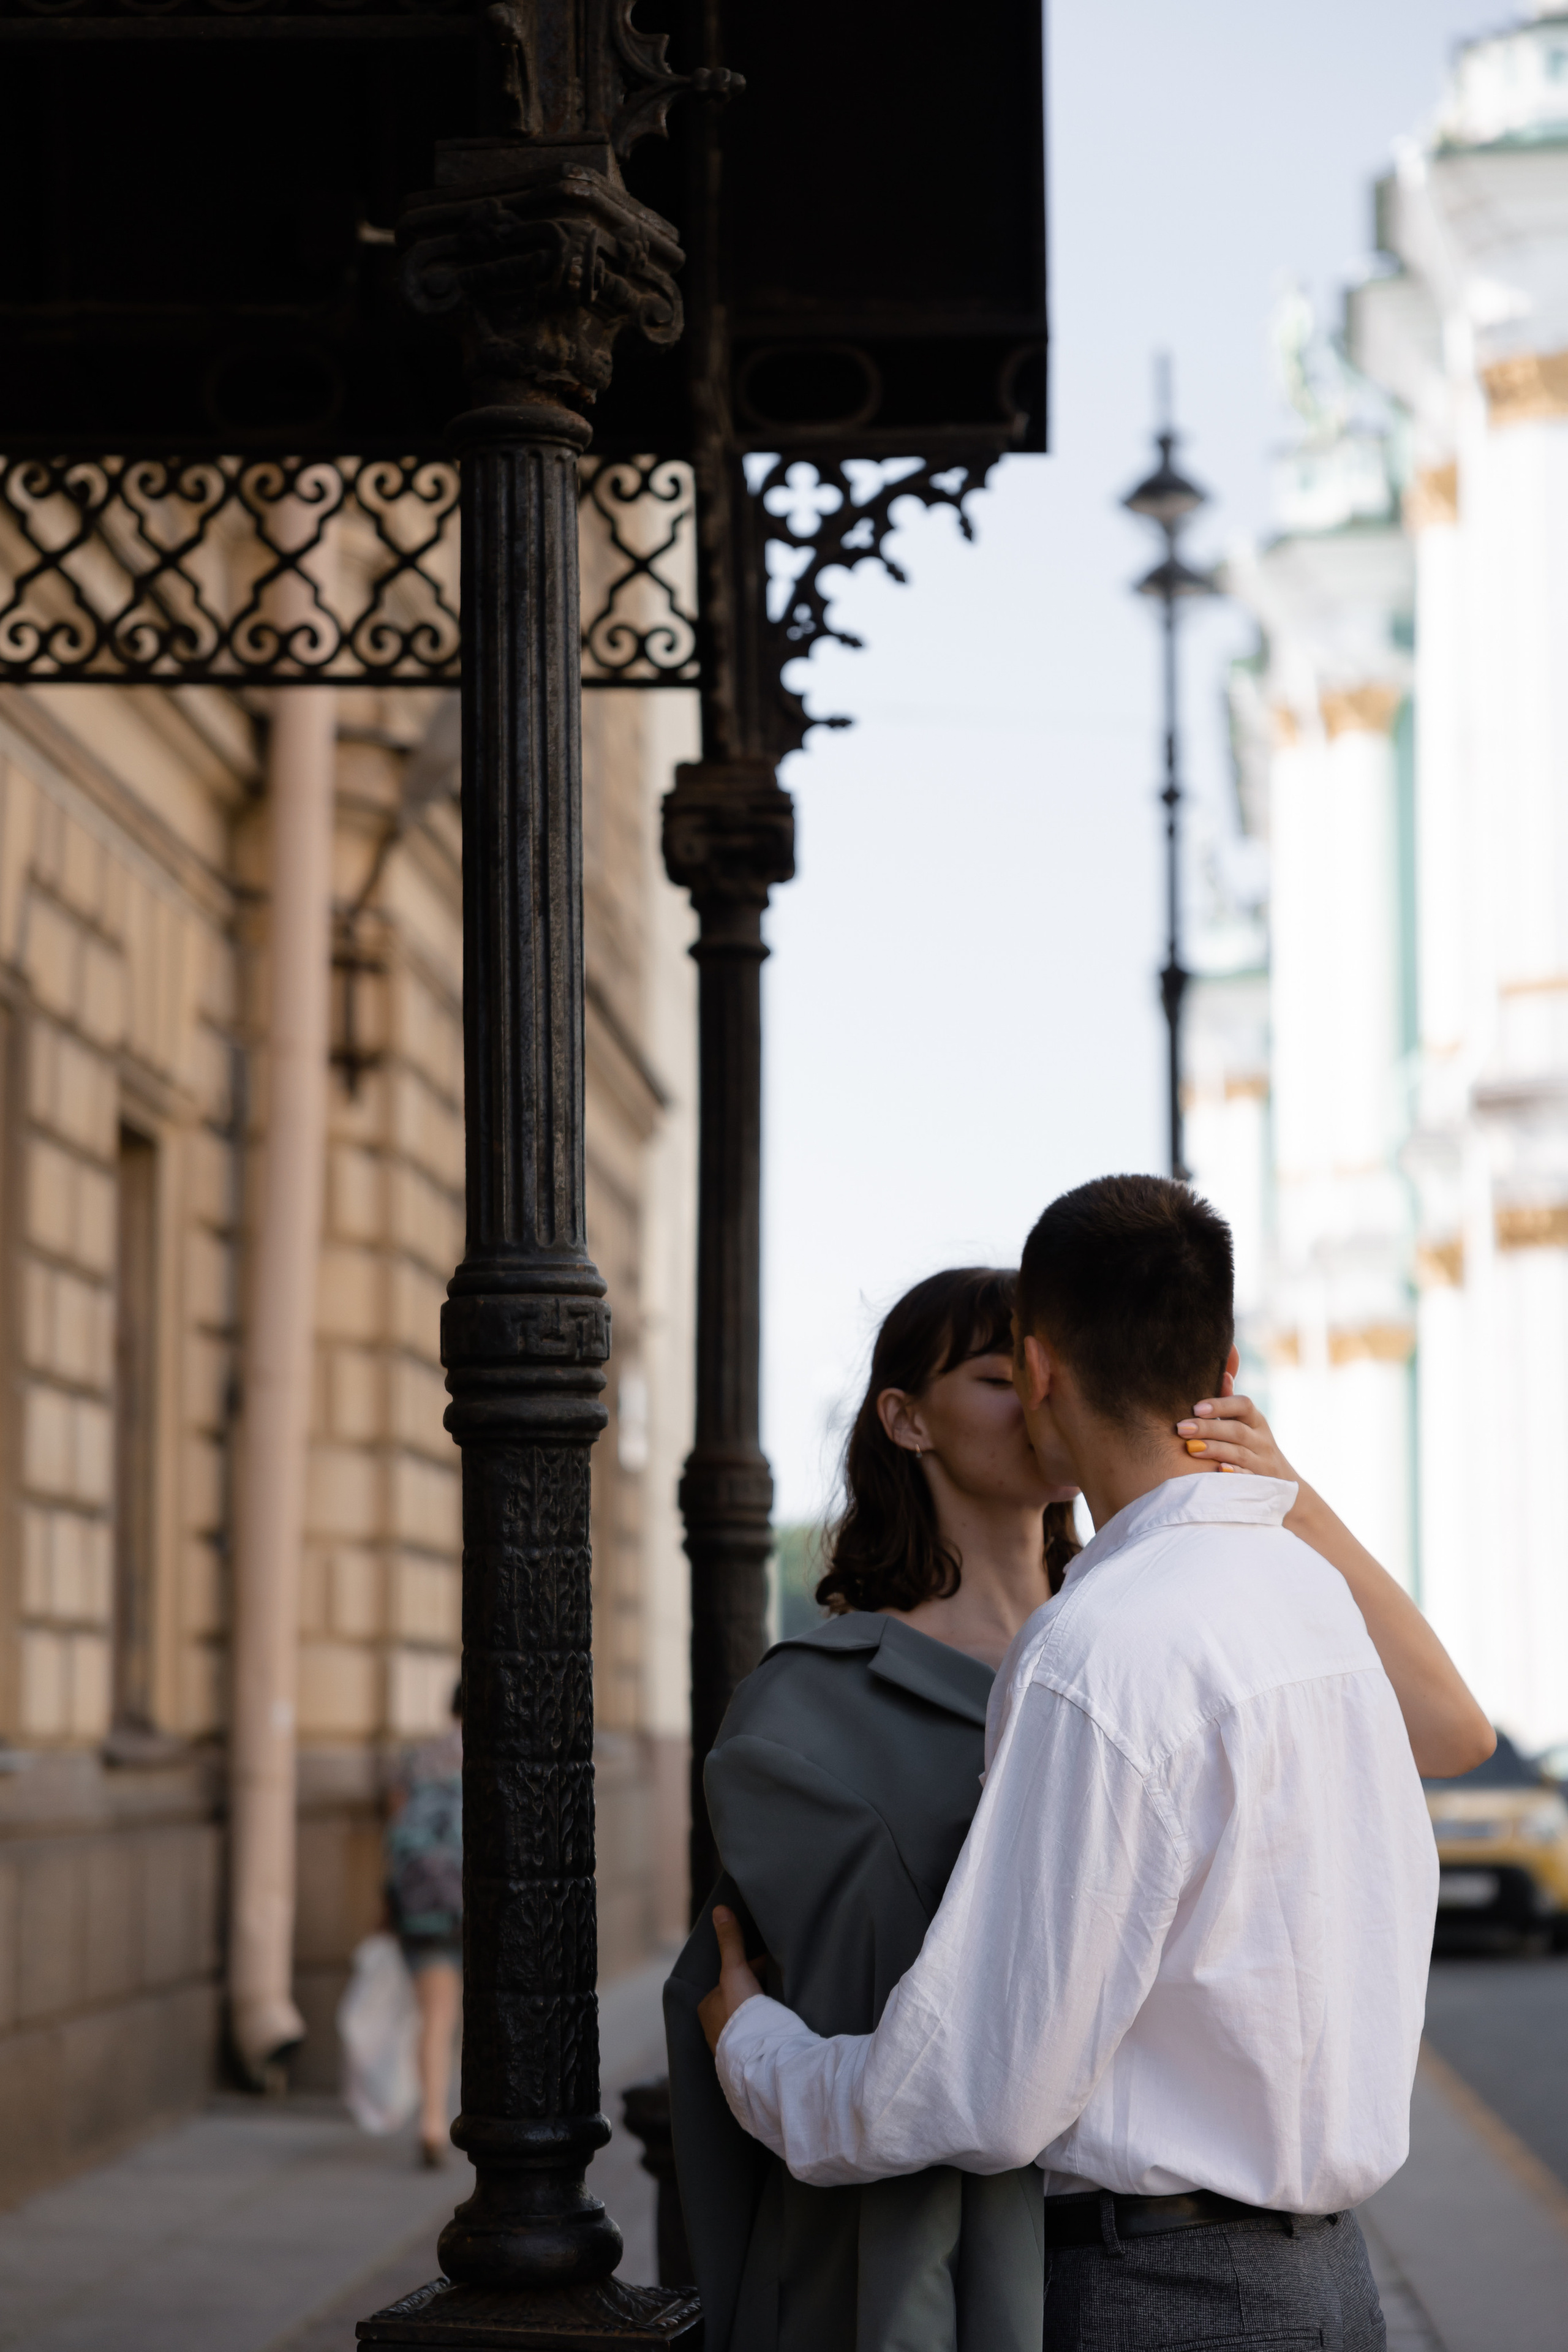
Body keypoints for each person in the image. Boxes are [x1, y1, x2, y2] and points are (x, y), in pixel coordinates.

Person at [675, 1237, 1490, 2352]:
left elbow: (1453, 1729)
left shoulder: (1141, 1636)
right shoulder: (839, 1704)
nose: (1025, 1406)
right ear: (907, 1419)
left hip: (1194, 2256)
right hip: (999, 2246)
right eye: (991, 1379)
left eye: (1029, 1373)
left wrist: (1284, 1496)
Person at [385, 1682, 463, 2167]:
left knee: (434, 2017)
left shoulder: (417, 1760)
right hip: (481, 1907)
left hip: (422, 1907)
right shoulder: (502, 1756)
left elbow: (393, 1834)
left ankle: (432, 2121)